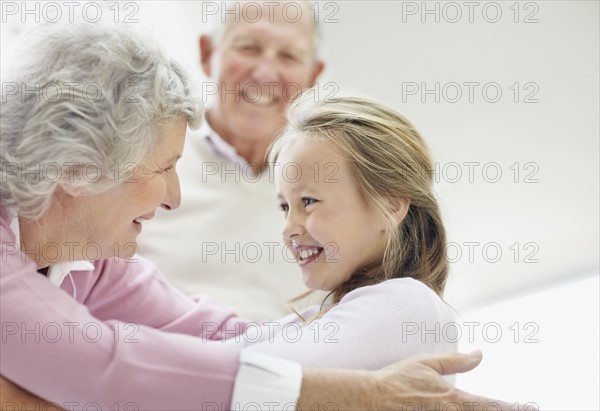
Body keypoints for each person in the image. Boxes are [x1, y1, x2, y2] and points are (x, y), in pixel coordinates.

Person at [0, 18, 521, 411]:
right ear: (79, 165)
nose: (174, 197)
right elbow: (102, 365)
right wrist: (357, 392)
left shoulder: (93, 262)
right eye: (162, 167)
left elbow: (213, 335)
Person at [220, 92, 457, 369]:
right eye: (285, 207)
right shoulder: (334, 318)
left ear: (390, 207)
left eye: (308, 202)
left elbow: (236, 376)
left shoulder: (408, 305)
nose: (288, 230)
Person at [137, 0, 326, 320]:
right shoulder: (140, 159)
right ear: (207, 53)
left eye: (289, 56)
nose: (265, 73)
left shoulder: (337, 183)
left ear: (313, 75)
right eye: (249, 47)